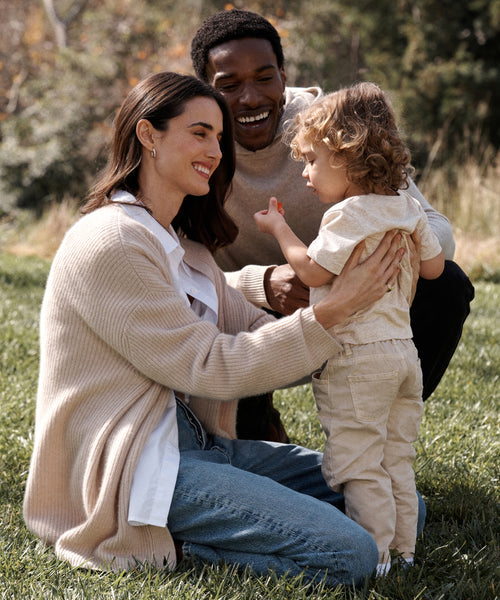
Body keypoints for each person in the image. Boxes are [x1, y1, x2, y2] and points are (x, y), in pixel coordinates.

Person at [23, 71, 420, 585]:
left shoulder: (185, 249)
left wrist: (371, 329)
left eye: (218, 136)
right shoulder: (110, 242)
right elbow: (209, 364)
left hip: (203, 446)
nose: (215, 149)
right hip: (138, 468)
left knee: (388, 499)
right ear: (148, 135)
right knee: (354, 555)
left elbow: (255, 332)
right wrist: (331, 313)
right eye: (199, 132)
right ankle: (167, 543)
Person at [190, 8, 475, 440]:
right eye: (229, 85)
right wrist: (262, 283)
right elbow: (169, 274)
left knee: (447, 285)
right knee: (250, 458)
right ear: (205, 92)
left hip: (357, 312)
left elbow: (432, 223)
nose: (249, 99)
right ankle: (254, 420)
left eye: (264, 77)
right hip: (247, 320)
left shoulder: (330, 129)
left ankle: (374, 430)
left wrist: (367, 266)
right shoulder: (190, 145)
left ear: (283, 76)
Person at [254, 82, 444, 575]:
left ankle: (373, 555)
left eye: (313, 160)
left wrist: (279, 230)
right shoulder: (404, 205)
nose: (306, 173)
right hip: (404, 356)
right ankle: (404, 551)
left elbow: (313, 272)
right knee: (395, 457)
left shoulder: (345, 214)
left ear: (348, 155)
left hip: (358, 359)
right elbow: (435, 269)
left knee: (358, 464)